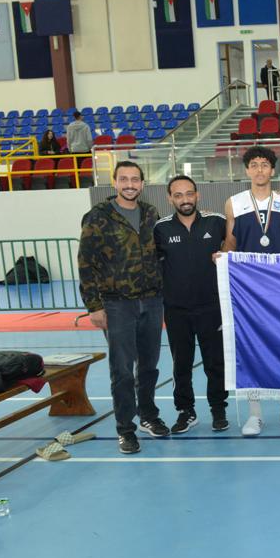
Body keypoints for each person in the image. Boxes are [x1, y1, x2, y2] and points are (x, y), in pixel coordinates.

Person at [78, 161, 165, 454]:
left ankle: (148, 416)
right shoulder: (98, 216)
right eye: (124, 179)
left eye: (135, 179)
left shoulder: (151, 213)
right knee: (123, 371)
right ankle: (125, 429)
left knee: (149, 366)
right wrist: (93, 306)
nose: (130, 184)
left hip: (151, 300)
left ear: (142, 183)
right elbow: (86, 263)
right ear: (114, 182)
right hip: (116, 304)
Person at [223, 145, 280, 436]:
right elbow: (231, 242)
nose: (259, 170)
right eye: (254, 165)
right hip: (249, 290)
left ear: (272, 170)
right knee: (251, 347)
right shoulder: (234, 203)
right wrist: (222, 255)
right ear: (247, 170)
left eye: (264, 165)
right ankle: (254, 414)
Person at [154, 175, 229, 434]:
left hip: (212, 307)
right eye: (178, 195)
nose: (184, 200)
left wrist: (226, 253)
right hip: (176, 310)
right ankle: (185, 411)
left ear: (197, 195)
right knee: (181, 364)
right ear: (170, 198)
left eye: (189, 194)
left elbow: (235, 246)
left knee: (215, 362)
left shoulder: (217, 222)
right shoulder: (160, 229)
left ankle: (218, 409)